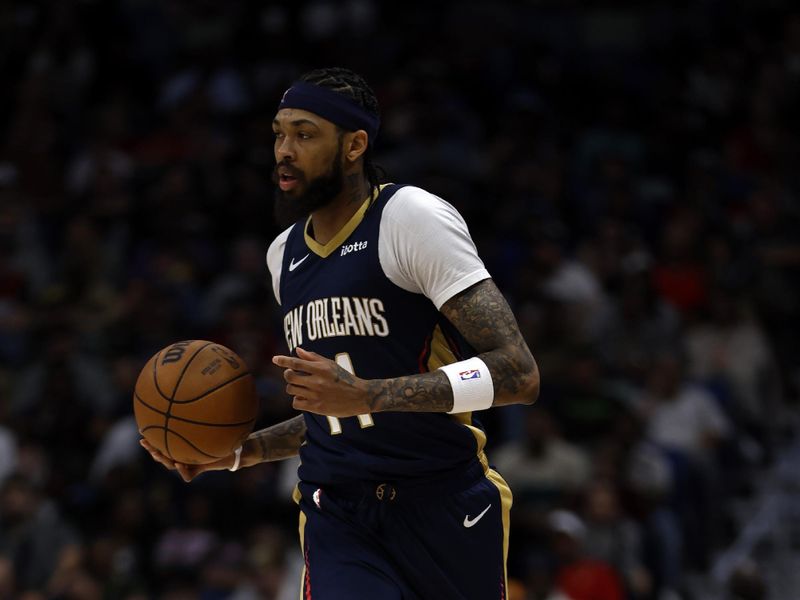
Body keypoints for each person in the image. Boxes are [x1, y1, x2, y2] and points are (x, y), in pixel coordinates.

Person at [141, 67, 540, 599]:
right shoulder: (283, 255)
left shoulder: (410, 219)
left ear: (354, 145)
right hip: (339, 511)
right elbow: (332, 413)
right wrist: (242, 452)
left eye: (305, 135)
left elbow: (518, 373)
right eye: (279, 133)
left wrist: (369, 394)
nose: (284, 150)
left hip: (446, 501)